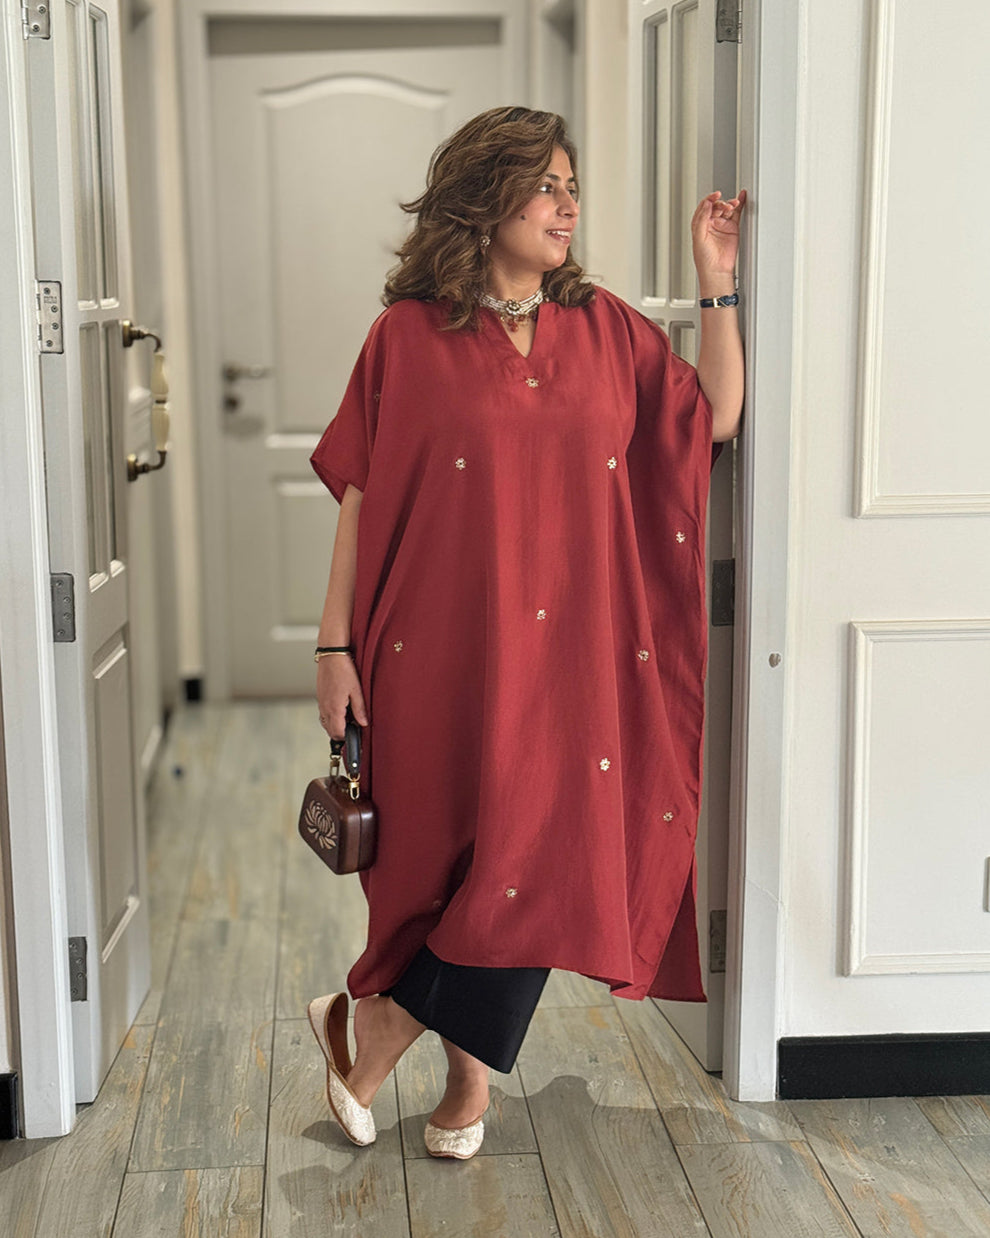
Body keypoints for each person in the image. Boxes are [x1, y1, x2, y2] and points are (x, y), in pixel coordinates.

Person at [307, 105, 745, 1159]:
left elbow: (713, 416)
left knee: (538, 856)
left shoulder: (607, 330)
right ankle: (465, 1087)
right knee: (449, 856)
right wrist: (333, 644)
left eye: (571, 182)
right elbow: (360, 495)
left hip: (572, 661)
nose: (567, 200)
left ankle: (368, 1032)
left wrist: (714, 278)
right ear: (484, 195)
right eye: (544, 182)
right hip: (434, 645)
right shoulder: (407, 336)